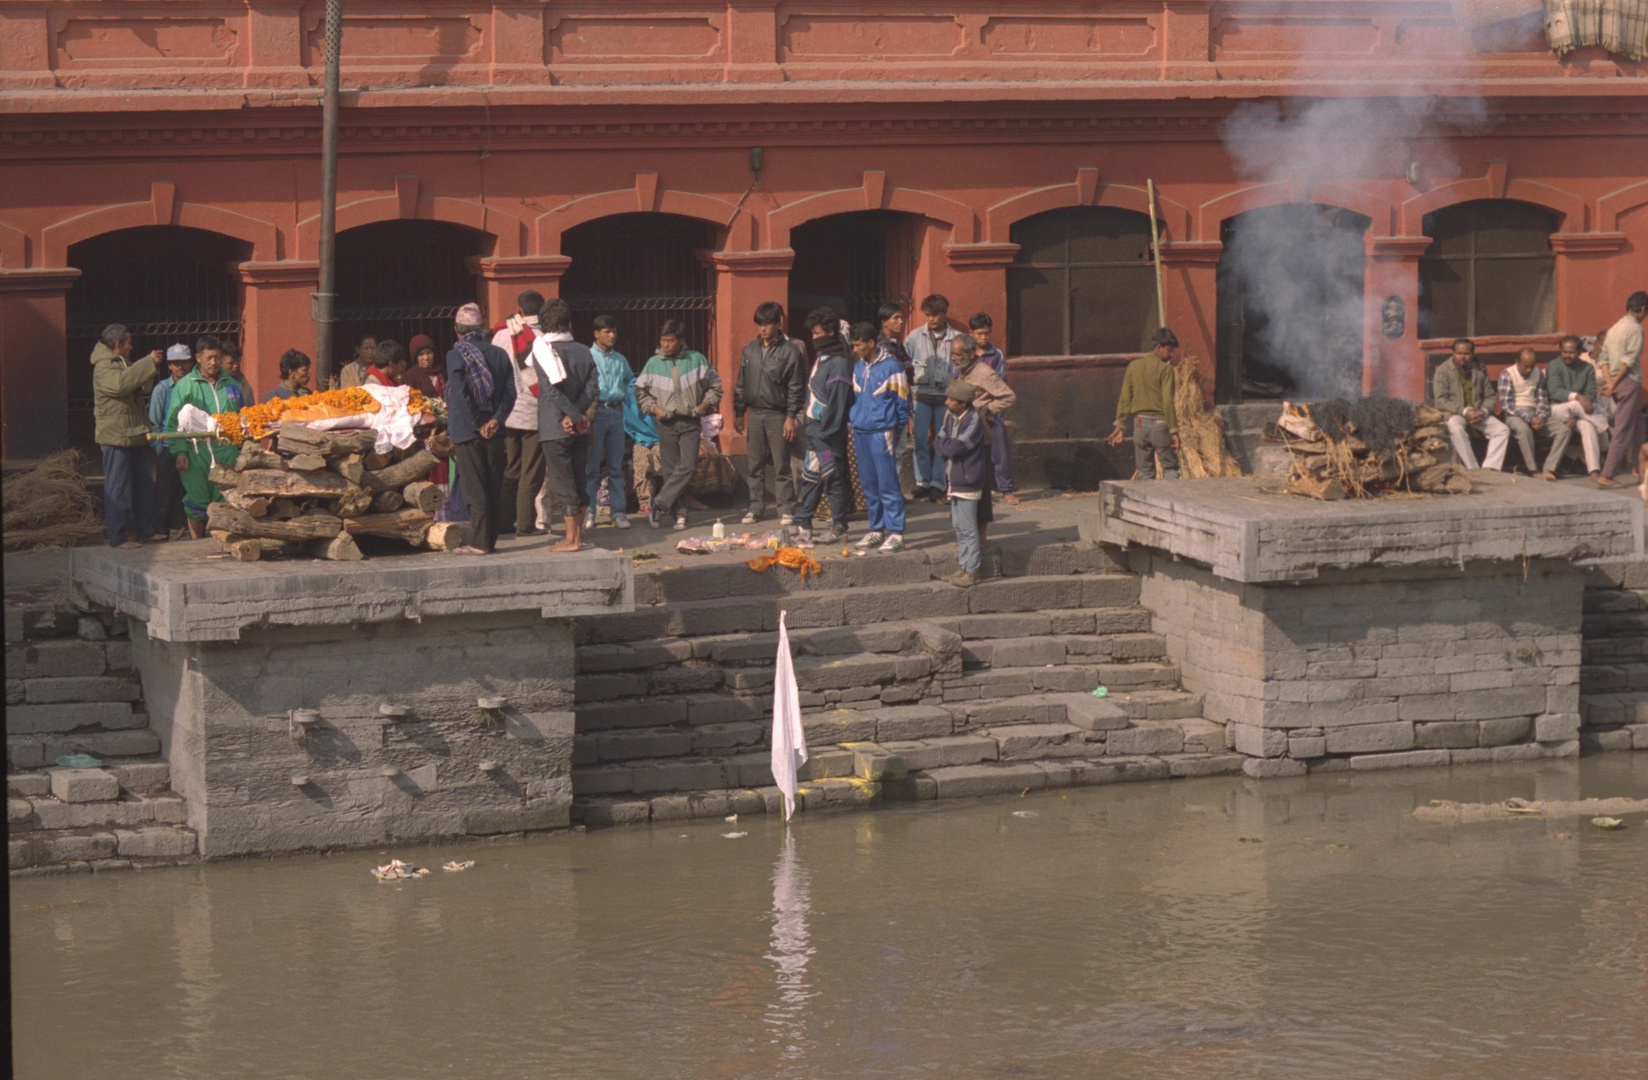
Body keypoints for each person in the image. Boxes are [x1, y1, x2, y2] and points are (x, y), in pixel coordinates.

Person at [635, 319, 721, 530]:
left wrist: (703, 405)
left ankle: (658, 503)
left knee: (688, 466)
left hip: (691, 421)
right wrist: (655, 409)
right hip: (665, 423)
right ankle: (680, 515)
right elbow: (640, 392)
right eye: (663, 340)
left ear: (681, 341)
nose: (666, 345)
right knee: (671, 470)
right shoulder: (653, 363)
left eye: (670, 340)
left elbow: (716, 387)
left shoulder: (697, 359)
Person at [445, 303, 516, 554]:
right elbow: (510, 394)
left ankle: (478, 543)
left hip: (468, 430)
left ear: (457, 330)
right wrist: (495, 420)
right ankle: (489, 541)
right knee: (492, 485)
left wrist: (478, 423)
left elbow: (462, 395)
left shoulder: (456, 355)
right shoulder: (499, 354)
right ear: (480, 328)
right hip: (495, 431)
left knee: (474, 488)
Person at [91, 324, 167, 548]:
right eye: (129, 343)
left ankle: (144, 530)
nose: (131, 347)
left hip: (133, 432)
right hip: (116, 436)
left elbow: (139, 388)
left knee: (143, 484)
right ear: (118, 345)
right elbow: (120, 385)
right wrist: (147, 363)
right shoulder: (104, 367)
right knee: (119, 489)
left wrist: (148, 370)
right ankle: (118, 536)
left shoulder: (122, 362)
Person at [165, 335, 248, 537]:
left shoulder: (232, 384)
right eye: (209, 357)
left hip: (226, 451)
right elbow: (173, 423)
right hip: (196, 452)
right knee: (196, 500)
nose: (213, 362)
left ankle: (219, 543)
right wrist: (180, 452)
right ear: (198, 358)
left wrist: (240, 446)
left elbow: (243, 415)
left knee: (224, 498)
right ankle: (196, 544)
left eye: (217, 358)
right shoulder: (186, 385)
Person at [532, 298, 598, 551]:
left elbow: (550, 391)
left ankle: (573, 539)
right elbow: (592, 386)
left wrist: (570, 415)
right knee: (579, 479)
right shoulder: (584, 350)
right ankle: (577, 536)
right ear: (568, 322)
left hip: (554, 426)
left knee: (563, 482)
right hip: (580, 426)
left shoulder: (542, 350)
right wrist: (579, 415)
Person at [734, 301, 807, 525]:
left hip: (778, 414)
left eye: (767, 324)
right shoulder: (749, 350)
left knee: (781, 464)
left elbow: (796, 387)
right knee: (754, 464)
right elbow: (741, 383)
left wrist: (790, 417)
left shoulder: (790, 352)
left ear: (778, 324)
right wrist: (739, 412)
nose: (763, 329)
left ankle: (786, 508)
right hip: (754, 414)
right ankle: (755, 507)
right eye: (760, 324)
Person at [791, 310, 856, 548]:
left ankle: (840, 527)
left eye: (818, 333)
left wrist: (827, 430)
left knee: (832, 478)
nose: (814, 338)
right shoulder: (822, 358)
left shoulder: (838, 363)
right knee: (811, 477)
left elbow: (838, 402)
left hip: (826, 432)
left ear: (830, 333)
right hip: (813, 430)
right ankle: (803, 523)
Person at [849, 321, 911, 552]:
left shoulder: (893, 367)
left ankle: (896, 532)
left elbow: (903, 403)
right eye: (853, 345)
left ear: (871, 343)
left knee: (887, 483)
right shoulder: (858, 366)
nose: (855, 349)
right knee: (869, 483)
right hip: (861, 431)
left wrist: (895, 430)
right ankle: (876, 529)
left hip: (883, 432)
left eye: (858, 345)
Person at [904, 293, 963, 502]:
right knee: (919, 440)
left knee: (941, 441)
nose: (931, 319)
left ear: (944, 314)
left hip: (945, 398)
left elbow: (961, 367)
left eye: (935, 315)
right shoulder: (914, 336)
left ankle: (938, 482)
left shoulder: (956, 338)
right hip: (920, 395)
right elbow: (906, 363)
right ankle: (922, 482)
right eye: (928, 315)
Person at [933, 380, 992, 588]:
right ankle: (963, 566)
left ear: (963, 403)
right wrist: (945, 446)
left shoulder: (974, 420)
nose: (946, 401)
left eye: (951, 399)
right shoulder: (951, 418)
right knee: (958, 526)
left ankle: (973, 569)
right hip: (954, 479)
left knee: (967, 528)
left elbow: (956, 448)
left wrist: (945, 446)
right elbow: (939, 441)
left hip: (968, 480)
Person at [1107, 328, 1182, 479]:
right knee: (1171, 468)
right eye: (1169, 349)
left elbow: (1125, 398)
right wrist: (1174, 430)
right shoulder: (1165, 369)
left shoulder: (1133, 366)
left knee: (1145, 471)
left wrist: (1120, 426)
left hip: (1139, 425)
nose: (1171, 354)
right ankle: (1169, 501)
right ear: (1158, 347)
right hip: (1161, 425)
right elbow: (1168, 402)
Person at [1431, 337, 1509, 471]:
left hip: (1477, 413)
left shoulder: (1479, 369)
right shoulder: (1443, 371)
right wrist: (1465, 411)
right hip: (1455, 413)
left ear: (1472, 354)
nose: (1462, 357)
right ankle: (1473, 469)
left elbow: (1490, 395)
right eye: (1459, 353)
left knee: (1502, 430)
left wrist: (1484, 411)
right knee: (1456, 428)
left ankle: (1490, 468)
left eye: (1466, 354)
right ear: (1452, 352)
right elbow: (1441, 400)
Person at [586, 314, 634, 530]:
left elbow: (629, 381)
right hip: (596, 414)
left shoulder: (620, 359)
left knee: (616, 466)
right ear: (596, 334)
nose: (612, 335)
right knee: (592, 467)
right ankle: (589, 512)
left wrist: (623, 395)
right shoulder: (588, 357)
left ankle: (618, 512)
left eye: (614, 331)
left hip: (617, 414)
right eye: (607, 331)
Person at [1597, 290, 1647, 487]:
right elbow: (1628, 361)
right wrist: (1614, 384)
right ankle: (1606, 474)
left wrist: (1610, 383)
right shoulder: (1635, 329)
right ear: (1642, 309)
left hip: (1617, 382)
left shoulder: (1615, 328)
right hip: (1627, 381)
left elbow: (1604, 358)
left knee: (1637, 426)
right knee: (1623, 429)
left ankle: (1641, 470)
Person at [969, 312, 1018, 506]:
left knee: (1000, 450)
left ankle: (1006, 489)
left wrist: (986, 400)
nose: (983, 338)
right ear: (971, 333)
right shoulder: (966, 353)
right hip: (970, 408)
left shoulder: (995, 354)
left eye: (987, 333)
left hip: (992, 408)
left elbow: (1000, 383)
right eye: (979, 333)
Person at [1544, 335, 1608, 480]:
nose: (1567, 355)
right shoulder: (1554, 366)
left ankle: (1594, 470)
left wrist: (1576, 415)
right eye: (1564, 352)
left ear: (1579, 352)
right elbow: (1555, 391)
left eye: (1571, 352)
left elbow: (1591, 393)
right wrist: (1578, 397)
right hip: (1557, 409)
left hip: (1580, 414)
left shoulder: (1587, 368)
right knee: (1574, 404)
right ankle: (1607, 429)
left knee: (1587, 425)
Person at [150, 343, 193, 536]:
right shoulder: (162, 389)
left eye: (184, 363)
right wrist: (160, 449)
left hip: (193, 446)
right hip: (168, 447)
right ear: (169, 366)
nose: (180, 367)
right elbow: (154, 422)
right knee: (165, 494)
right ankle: (161, 530)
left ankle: (186, 529)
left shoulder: (195, 386)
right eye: (176, 363)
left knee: (191, 492)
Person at [876, 301, 915, 495]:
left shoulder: (897, 343)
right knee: (889, 452)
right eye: (896, 318)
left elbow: (909, 370)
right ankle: (887, 493)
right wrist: (907, 366)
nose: (901, 321)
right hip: (887, 407)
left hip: (900, 405)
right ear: (884, 322)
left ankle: (894, 492)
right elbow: (898, 370)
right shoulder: (880, 346)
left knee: (898, 452)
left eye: (901, 317)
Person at [1496, 346, 1550, 476]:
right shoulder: (1507, 373)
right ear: (1517, 362)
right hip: (1514, 413)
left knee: (1562, 430)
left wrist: (1540, 417)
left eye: (1532, 366)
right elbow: (1507, 404)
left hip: (1534, 412)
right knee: (1524, 430)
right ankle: (1533, 469)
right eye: (1525, 366)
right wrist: (1529, 418)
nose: (1529, 370)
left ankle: (1550, 467)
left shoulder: (1538, 373)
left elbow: (1542, 399)